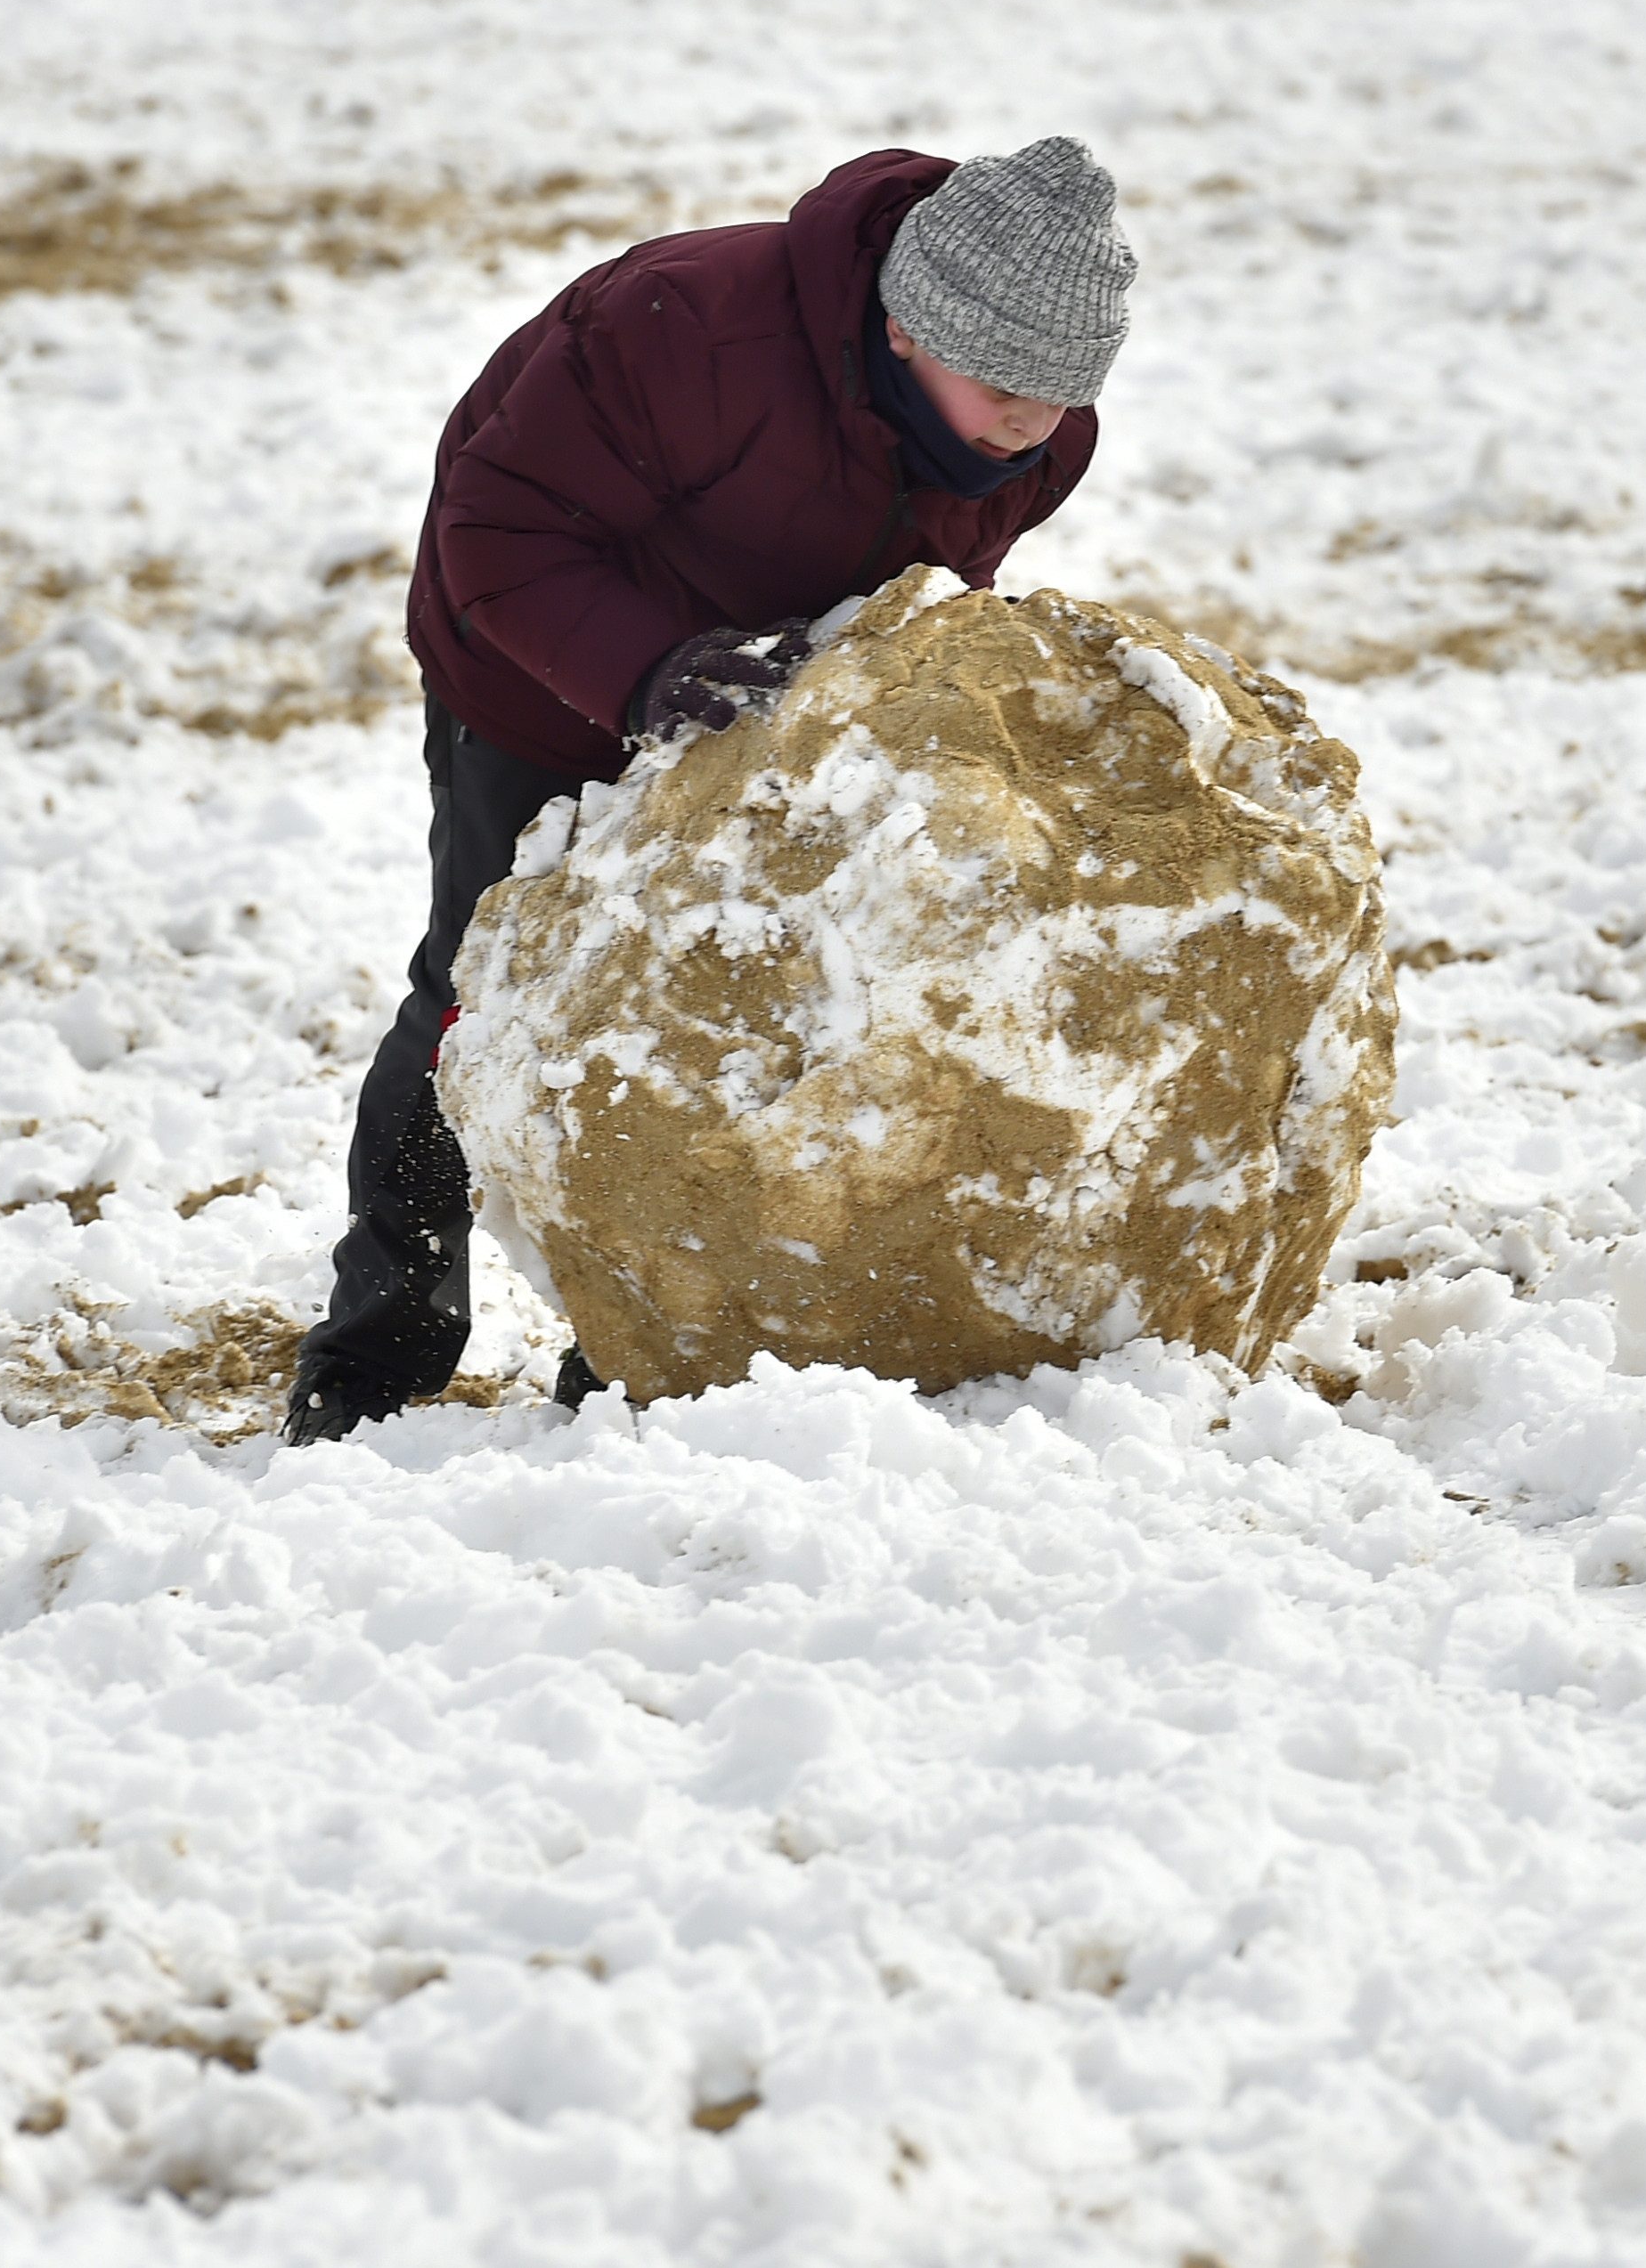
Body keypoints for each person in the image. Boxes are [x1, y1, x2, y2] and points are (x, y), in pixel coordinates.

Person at [284, 138, 1137, 1443]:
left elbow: (915, 573)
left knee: (731, 1012)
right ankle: (376, 1354)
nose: (1035, 422)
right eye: (1009, 385)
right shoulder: (684, 330)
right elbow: (495, 531)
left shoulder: (1039, 439)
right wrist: (639, 677)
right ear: (911, 325)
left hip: (762, 710)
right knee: (479, 990)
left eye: (1064, 393)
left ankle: (635, 1348)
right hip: (537, 664)